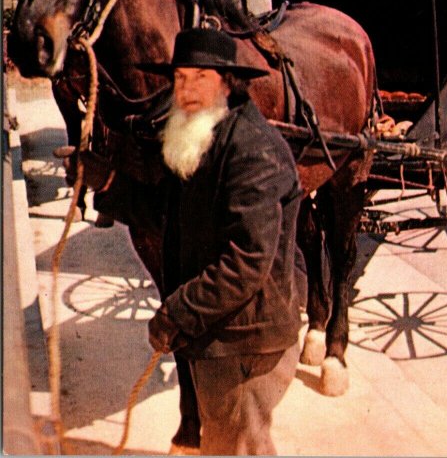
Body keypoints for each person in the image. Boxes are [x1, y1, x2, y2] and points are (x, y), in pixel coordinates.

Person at [58, 28, 304, 456]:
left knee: (236, 449)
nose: (187, 89)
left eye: (200, 78)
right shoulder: (204, 133)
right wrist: (107, 180)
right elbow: (167, 214)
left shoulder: (251, 150)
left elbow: (246, 262)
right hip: (222, 333)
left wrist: (178, 312)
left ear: (228, 83)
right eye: (180, 78)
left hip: (246, 343)